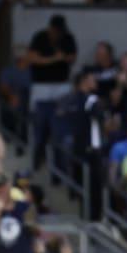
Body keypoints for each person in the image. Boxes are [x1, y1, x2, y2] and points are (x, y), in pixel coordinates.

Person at [28, 15, 77, 170]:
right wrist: (55, 58)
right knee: (39, 123)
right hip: (42, 86)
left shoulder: (68, 38)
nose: (57, 33)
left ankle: (59, 164)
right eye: (55, 30)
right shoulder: (40, 37)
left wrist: (59, 58)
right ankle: (38, 157)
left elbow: (71, 57)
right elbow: (33, 58)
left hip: (61, 86)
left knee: (61, 125)